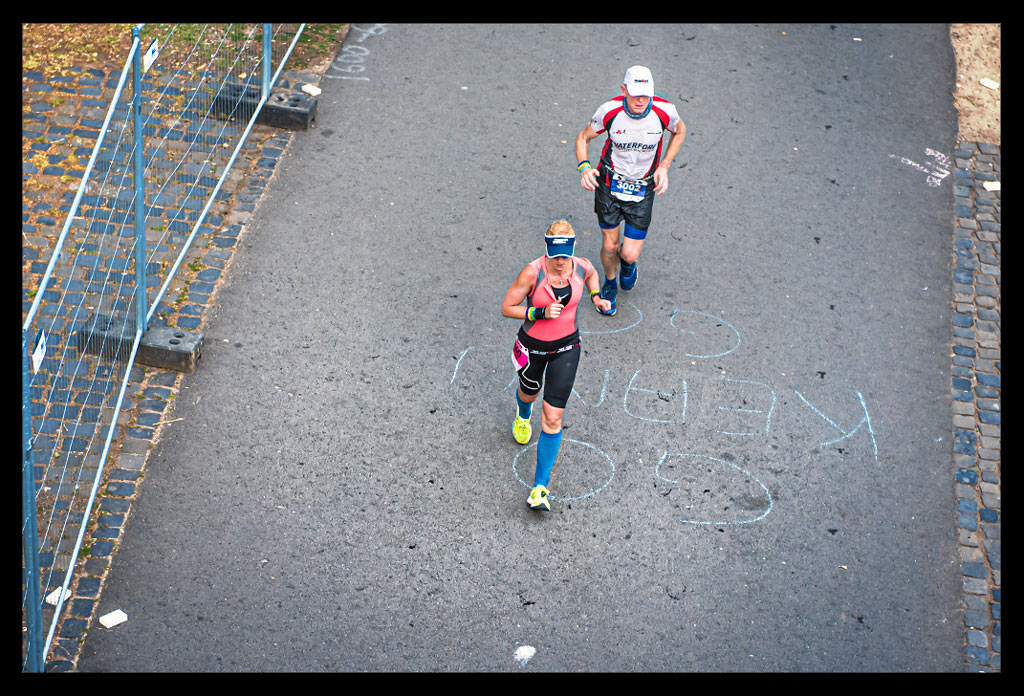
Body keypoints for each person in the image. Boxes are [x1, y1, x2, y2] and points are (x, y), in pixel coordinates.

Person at [500, 220, 612, 511]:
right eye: (555, 255)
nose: (561, 262)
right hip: (533, 347)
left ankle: (539, 487)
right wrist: (538, 312)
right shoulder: (532, 272)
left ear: (572, 250)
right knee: (529, 394)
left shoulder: (582, 266)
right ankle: (523, 414)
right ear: (547, 250)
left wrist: (596, 297)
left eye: (565, 255)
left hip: (566, 348)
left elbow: (591, 276)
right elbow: (507, 307)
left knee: (552, 418)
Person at [575, 65, 686, 316]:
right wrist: (584, 167)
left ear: (652, 92)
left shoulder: (664, 111)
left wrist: (665, 166)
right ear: (623, 90)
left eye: (645, 94)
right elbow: (583, 137)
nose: (640, 100)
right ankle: (610, 283)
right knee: (610, 246)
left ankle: (627, 266)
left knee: (629, 253)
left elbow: (680, 131)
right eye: (635, 94)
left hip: (643, 187)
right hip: (609, 184)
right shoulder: (609, 110)